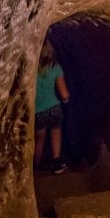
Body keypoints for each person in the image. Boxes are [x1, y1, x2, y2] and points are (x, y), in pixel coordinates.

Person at [34, 39, 71, 174]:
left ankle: (35, 166)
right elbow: (64, 94)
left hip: (37, 111)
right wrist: (67, 99)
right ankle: (57, 163)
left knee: (39, 139)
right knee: (56, 131)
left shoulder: (31, 69)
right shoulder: (55, 68)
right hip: (53, 108)